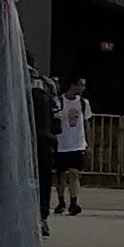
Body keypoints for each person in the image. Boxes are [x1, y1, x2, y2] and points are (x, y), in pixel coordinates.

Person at [52, 78, 90, 217]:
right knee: (60, 174)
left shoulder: (83, 103)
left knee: (74, 173)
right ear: (73, 85)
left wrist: (87, 142)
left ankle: (74, 202)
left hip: (77, 143)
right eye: (80, 84)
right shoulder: (59, 101)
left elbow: (86, 122)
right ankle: (61, 201)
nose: (83, 87)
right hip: (61, 142)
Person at [28, 68, 60, 235]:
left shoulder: (16, 84)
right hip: (46, 140)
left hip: (24, 141)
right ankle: (42, 218)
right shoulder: (49, 86)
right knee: (44, 180)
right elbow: (57, 120)